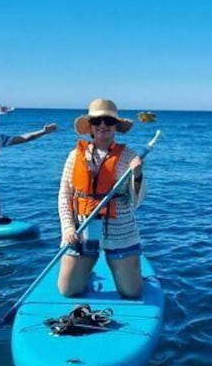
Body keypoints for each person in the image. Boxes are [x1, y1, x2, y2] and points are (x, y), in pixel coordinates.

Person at [58, 99, 147, 299]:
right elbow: (64, 195)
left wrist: (138, 175)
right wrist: (68, 229)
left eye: (108, 120)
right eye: (97, 121)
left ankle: (134, 272)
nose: (103, 126)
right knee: (68, 290)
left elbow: (136, 201)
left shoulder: (129, 157)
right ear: (90, 126)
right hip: (84, 229)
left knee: (132, 292)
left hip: (120, 230)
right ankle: (86, 271)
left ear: (115, 125)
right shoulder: (74, 156)